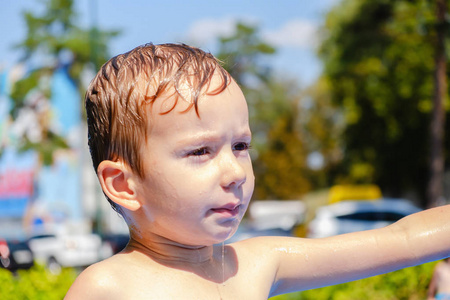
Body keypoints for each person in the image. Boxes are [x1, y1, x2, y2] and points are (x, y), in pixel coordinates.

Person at [65, 43, 450, 299]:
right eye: (200, 151)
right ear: (124, 184)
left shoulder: (258, 263)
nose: (235, 171)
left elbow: (403, 239)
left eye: (241, 146)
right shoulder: (108, 287)